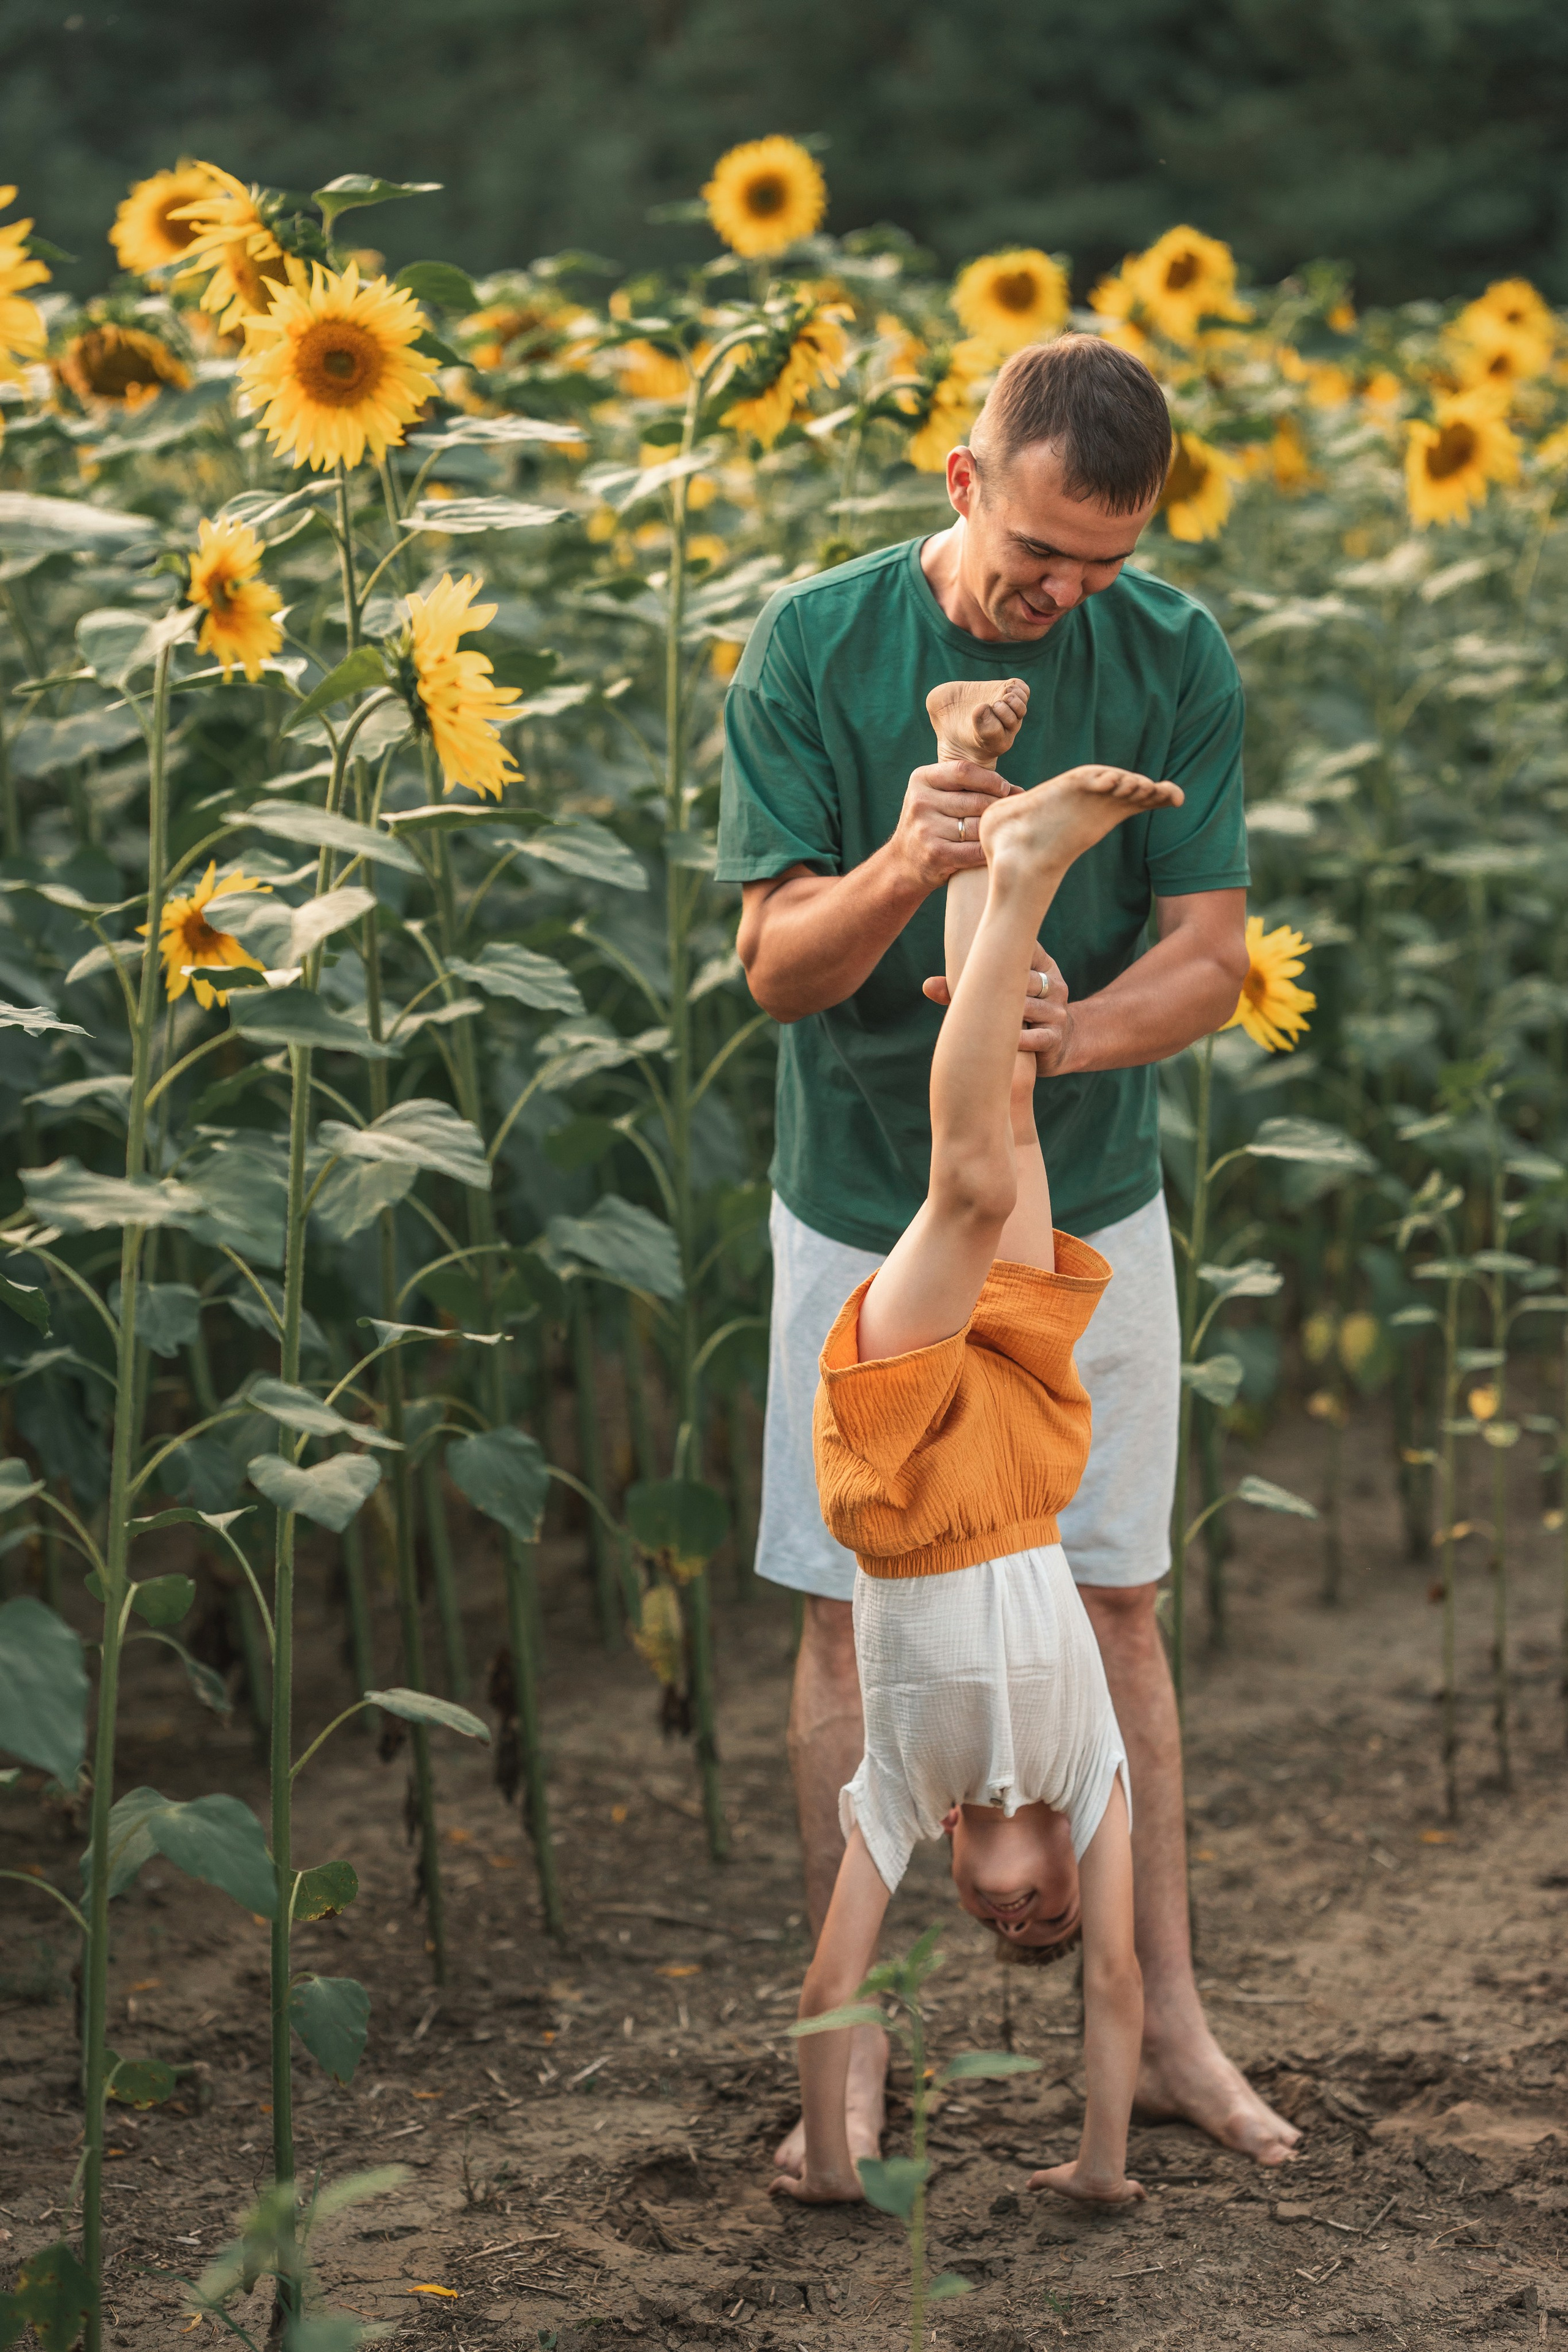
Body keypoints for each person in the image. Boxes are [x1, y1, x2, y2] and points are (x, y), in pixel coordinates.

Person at [718, 332, 1299, 2169]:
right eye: (1045, 556)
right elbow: (774, 970)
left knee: (1118, 1600)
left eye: (1106, 569)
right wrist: (902, 869)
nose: (1069, 597)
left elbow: (1211, 957)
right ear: (964, 483)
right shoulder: (817, 645)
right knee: (843, 1620)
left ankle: (1169, 2029)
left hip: (1089, 1191)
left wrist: (1069, 1029)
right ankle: (853, 2054)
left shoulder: (1175, 653)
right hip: (855, 1202)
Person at [773, 685, 1182, 2207]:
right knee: (1001, 1106)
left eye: (1010, 1931)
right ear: (1076, 1865)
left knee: (957, 1191)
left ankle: (1016, 869)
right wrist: (1097, 2163)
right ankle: (967, 783)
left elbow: (833, 1984)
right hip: (1018, 1453)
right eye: (1056, 1923)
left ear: (956, 1869)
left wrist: (829, 2159)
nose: (1039, 1926)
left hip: (901, 1475)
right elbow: (1123, 1983)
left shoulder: (899, 1793)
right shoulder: (1088, 1773)